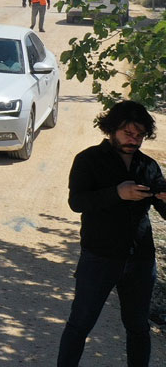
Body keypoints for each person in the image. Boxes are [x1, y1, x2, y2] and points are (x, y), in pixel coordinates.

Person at [57, 101, 166, 366]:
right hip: (99, 257)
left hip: (140, 259)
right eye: (128, 133)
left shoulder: (148, 165)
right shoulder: (89, 159)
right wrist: (117, 193)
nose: (134, 140)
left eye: (139, 135)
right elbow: (77, 202)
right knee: (80, 324)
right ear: (111, 129)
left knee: (138, 327)